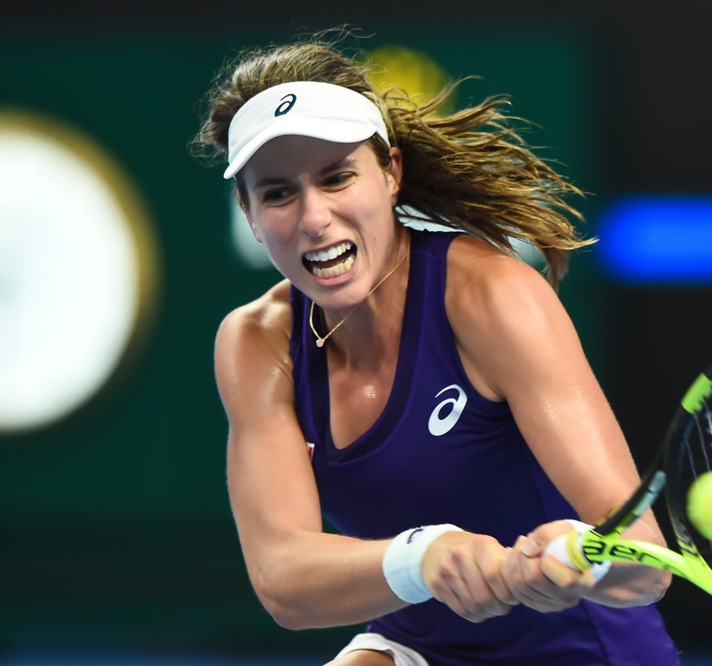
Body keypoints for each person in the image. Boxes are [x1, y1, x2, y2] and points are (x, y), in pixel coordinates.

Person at [191, 27, 680, 666]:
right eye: (278, 192)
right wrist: (422, 556)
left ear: (390, 173)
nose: (313, 218)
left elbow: (646, 559)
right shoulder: (256, 343)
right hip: (417, 645)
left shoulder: (494, 297)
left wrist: (582, 559)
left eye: (337, 177)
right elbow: (283, 580)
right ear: (250, 214)